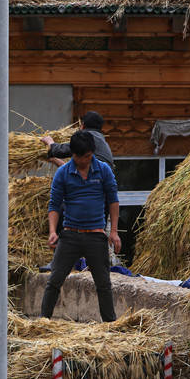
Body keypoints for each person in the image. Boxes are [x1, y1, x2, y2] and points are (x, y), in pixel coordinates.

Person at [42, 130, 121, 322]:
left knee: (103, 284)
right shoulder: (63, 173)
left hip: (96, 236)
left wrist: (113, 232)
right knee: (54, 280)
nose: (88, 159)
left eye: (90, 155)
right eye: (84, 156)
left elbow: (113, 200)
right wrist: (53, 231)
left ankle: (110, 324)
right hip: (70, 236)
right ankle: (43, 321)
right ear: (74, 155)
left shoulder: (103, 170)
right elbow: (54, 204)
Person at [41, 111, 114, 169]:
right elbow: (73, 171)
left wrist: (50, 142)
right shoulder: (100, 139)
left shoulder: (87, 138)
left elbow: (61, 151)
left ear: (82, 125)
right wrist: (54, 160)